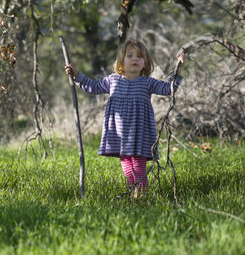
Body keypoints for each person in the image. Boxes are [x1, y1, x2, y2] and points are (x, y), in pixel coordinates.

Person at [65, 38, 185, 200]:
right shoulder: (113, 80)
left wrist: (177, 71)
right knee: (127, 165)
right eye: (130, 55)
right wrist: (77, 76)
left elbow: (167, 89)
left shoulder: (146, 83)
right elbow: (93, 87)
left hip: (139, 133)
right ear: (121, 62)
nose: (135, 58)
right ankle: (132, 193)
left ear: (145, 63)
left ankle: (140, 197)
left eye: (139, 56)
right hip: (119, 134)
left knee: (138, 164)